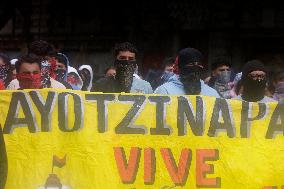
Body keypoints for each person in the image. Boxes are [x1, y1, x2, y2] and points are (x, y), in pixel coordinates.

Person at [154, 47, 220, 97]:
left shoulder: (212, 94)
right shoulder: (164, 91)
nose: (195, 68)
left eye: (198, 64)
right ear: (180, 67)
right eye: (191, 64)